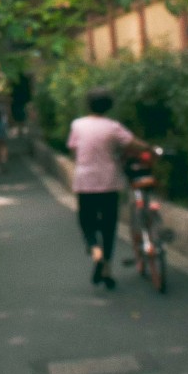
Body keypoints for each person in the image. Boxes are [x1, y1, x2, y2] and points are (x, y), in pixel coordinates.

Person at [67, 89, 149, 288]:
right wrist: (150, 148)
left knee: (87, 222)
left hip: (85, 182)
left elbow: (73, 148)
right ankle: (107, 268)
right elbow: (133, 144)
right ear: (109, 106)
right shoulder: (113, 127)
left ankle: (95, 251)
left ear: (88, 105)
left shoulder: (78, 125)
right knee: (108, 226)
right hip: (109, 182)